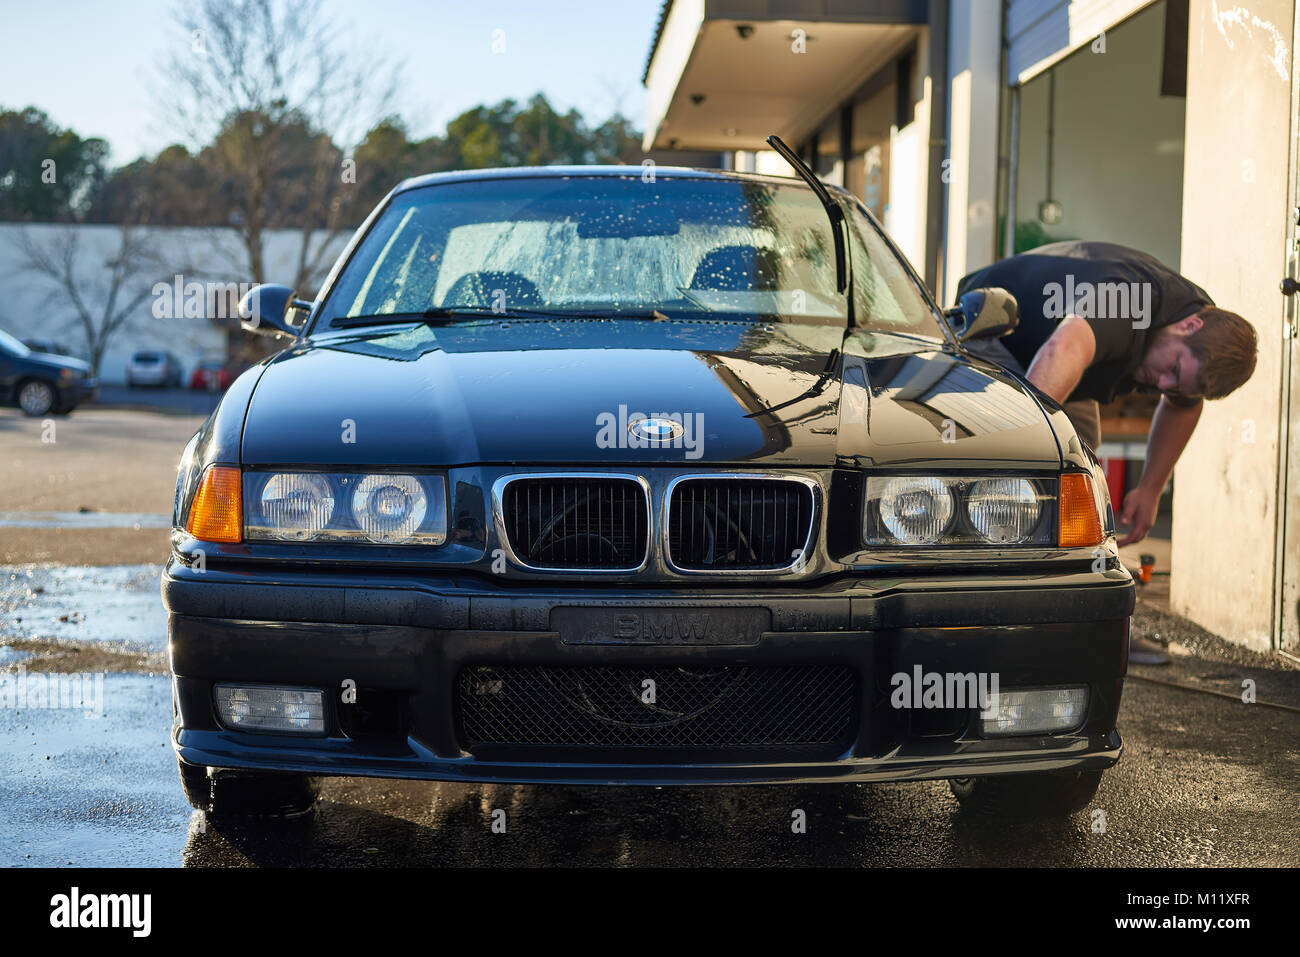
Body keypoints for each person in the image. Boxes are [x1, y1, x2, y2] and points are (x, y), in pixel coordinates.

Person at [955, 241, 1258, 664]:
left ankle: (1091, 624)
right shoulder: (1129, 298)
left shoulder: (1203, 330)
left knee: (1082, 483)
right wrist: (1023, 459)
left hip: (1066, 361)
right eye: (1171, 372)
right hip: (991, 328)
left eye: (1177, 385)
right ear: (1187, 327)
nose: (1164, 386)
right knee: (1012, 477)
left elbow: (1183, 405)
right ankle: (970, 621)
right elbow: (1063, 350)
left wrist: (1150, 488)